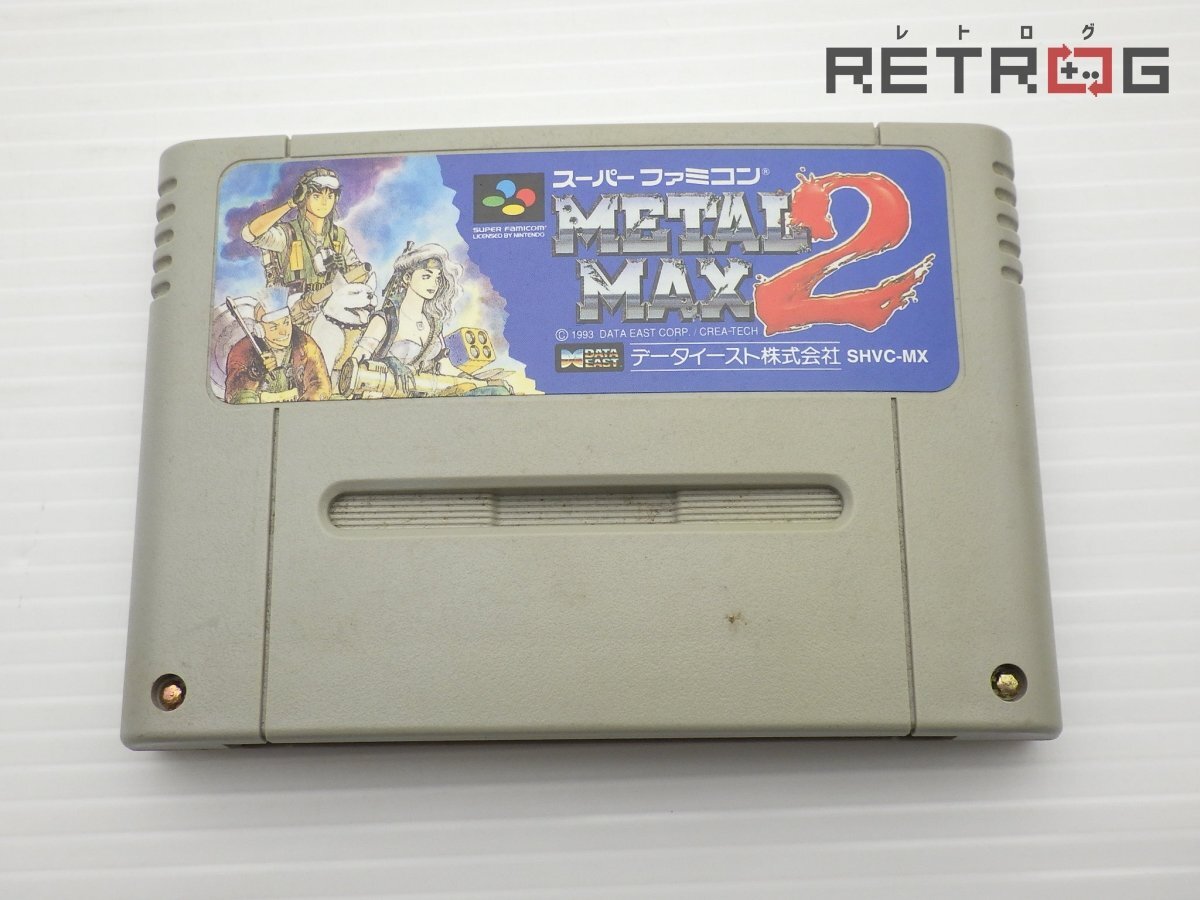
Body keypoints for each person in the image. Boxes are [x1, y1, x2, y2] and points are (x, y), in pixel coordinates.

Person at [351, 242, 509, 396]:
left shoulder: (434, 324)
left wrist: (482, 382)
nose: (434, 283)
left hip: (424, 394)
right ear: (407, 278)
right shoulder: (386, 320)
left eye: (437, 278)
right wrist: (389, 362)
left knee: (497, 391)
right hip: (382, 396)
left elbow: (445, 368)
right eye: (426, 276)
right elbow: (354, 364)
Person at [241, 167, 366, 329]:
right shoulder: (288, 234)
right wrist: (291, 204)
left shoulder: (338, 236)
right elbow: (250, 234)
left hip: (330, 309)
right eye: (317, 196)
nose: (324, 202)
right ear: (304, 198)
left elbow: (360, 274)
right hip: (291, 311)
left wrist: (344, 270)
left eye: (330, 196)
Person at [224, 290, 332, 403]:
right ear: (260, 330)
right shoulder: (242, 350)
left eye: (286, 323)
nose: (283, 332)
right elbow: (235, 393)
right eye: (274, 327)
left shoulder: (305, 345)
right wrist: (255, 372)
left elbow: (320, 385)